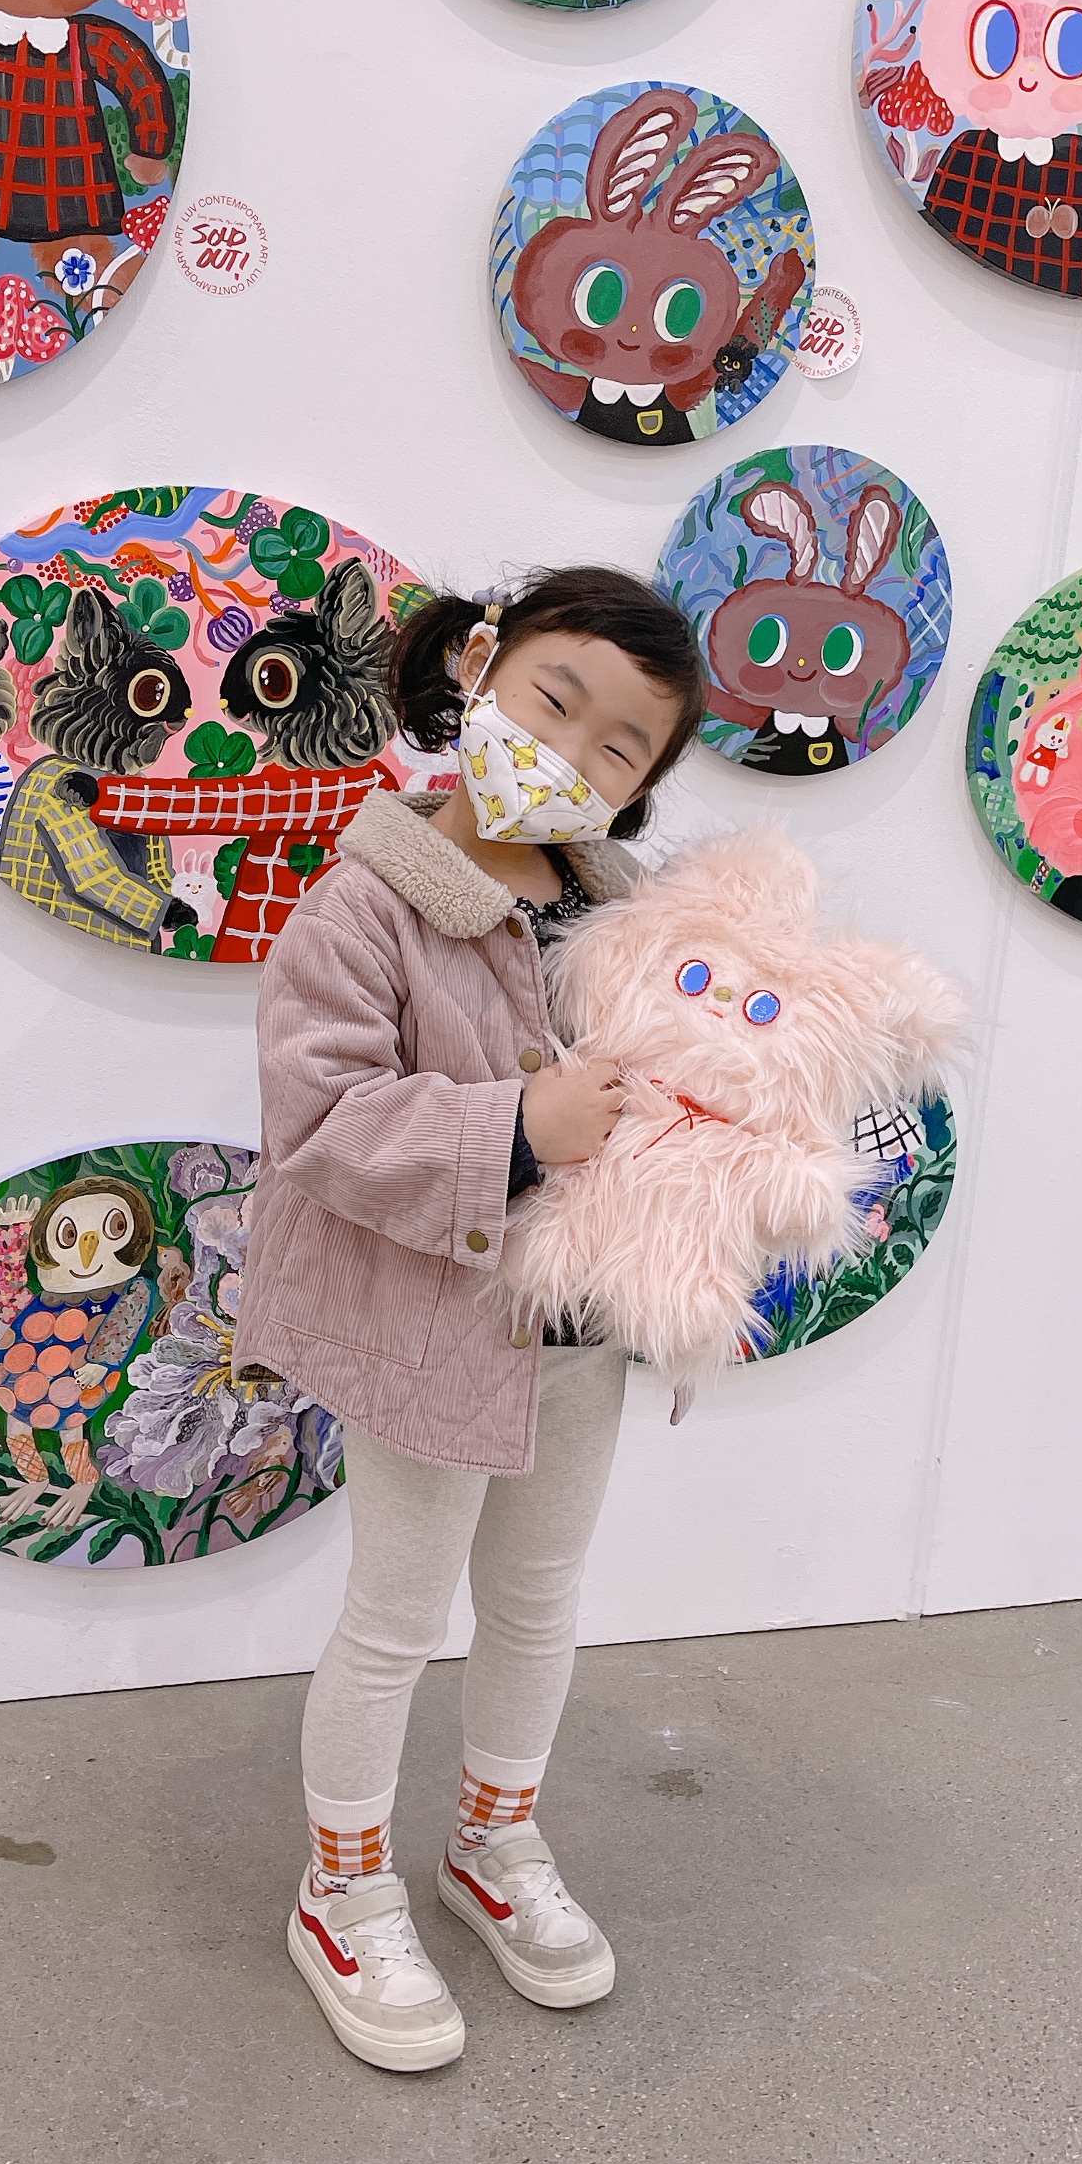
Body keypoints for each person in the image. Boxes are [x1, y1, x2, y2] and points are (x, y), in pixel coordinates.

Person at [234, 565, 706, 2072]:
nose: (568, 753)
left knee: (539, 1601)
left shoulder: (626, 916)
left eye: (618, 746)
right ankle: (342, 1885)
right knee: (393, 1616)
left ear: (641, 787)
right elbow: (320, 1121)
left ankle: (494, 1842)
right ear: (482, 667)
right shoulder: (367, 904)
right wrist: (518, 1123)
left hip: (585, 1334)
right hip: (426, 1330)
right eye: (554, 701)